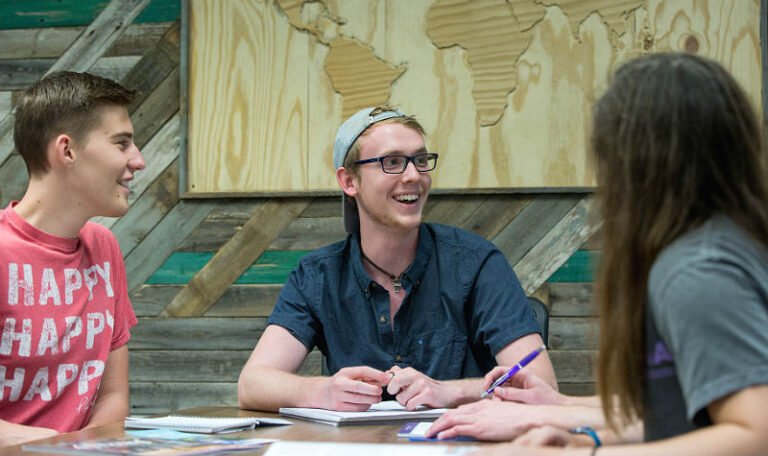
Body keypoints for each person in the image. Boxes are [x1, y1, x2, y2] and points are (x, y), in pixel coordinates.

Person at [427, 52, 768, 454]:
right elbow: (675, 415)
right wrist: (571, 422)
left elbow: (756, 432)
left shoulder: (697, 271)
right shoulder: (723, 244)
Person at [238, 106, 556, 412]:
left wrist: (450, 392)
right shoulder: (317, 275)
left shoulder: (476, 263)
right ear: (349, 181)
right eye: (392, 162)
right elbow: (253, 383)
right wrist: (322, 391)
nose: (413, 175)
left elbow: (541, 385)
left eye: (420, 160)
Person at [0, 72, 144, 446]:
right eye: (122, 143)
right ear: (67, 151)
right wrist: (60, 448)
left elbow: (113, 396)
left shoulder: (104, 248)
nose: (138, 160)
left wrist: (84, 449)